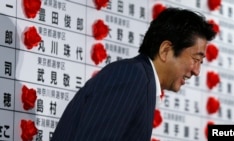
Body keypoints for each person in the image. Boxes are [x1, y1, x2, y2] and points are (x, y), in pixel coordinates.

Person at [51, 7, 216, 141]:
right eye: (195, 58)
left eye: (200, 62)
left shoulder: (142, 80)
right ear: (165, 50)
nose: (197, 71)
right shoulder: (132, 76)